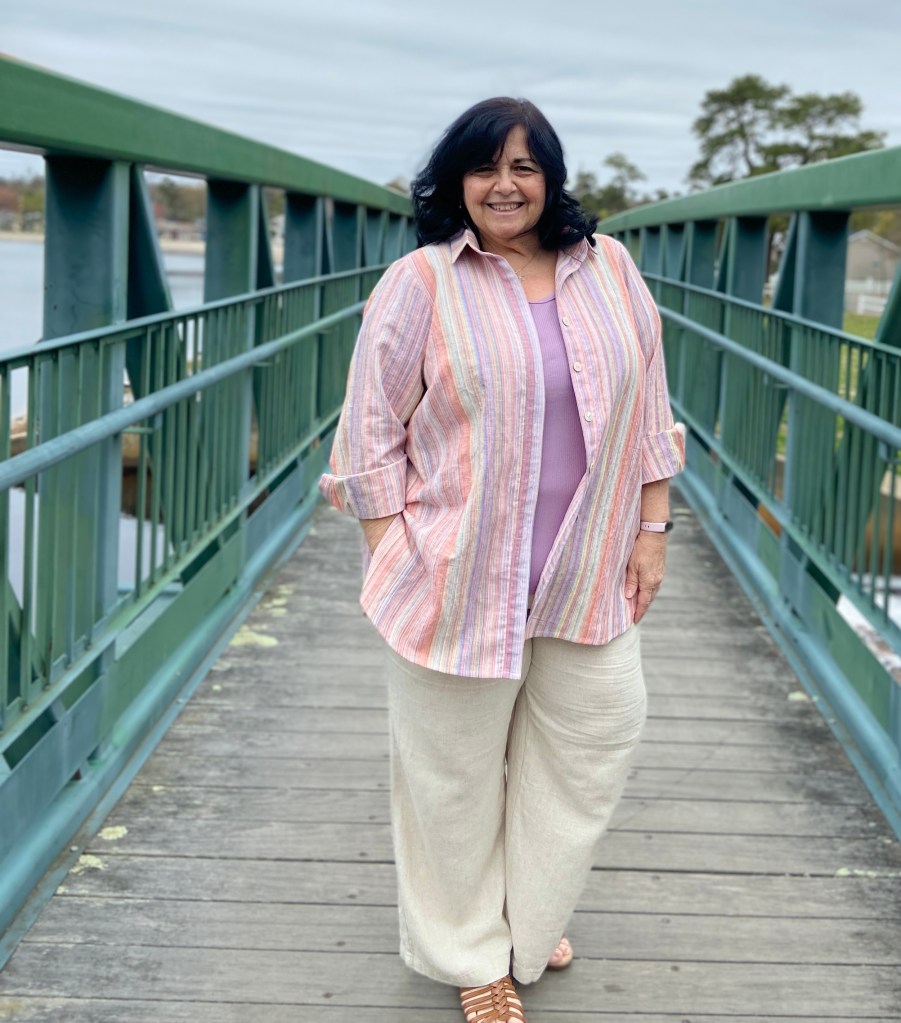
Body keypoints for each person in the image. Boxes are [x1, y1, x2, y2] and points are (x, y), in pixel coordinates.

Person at [319, 97, 684, 1023]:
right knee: (451, 777)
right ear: (457, 181)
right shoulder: (420, 282)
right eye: (485, 167)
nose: (505, 185)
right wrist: (394, 553)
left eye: (524, 166)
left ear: (551, 179)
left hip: (587, 566)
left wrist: (652, 529)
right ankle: (474, 955)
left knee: (592, 745)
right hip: (459, 573)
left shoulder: (609, 268)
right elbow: (368, 428)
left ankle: (528, 919)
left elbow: (650, 405)